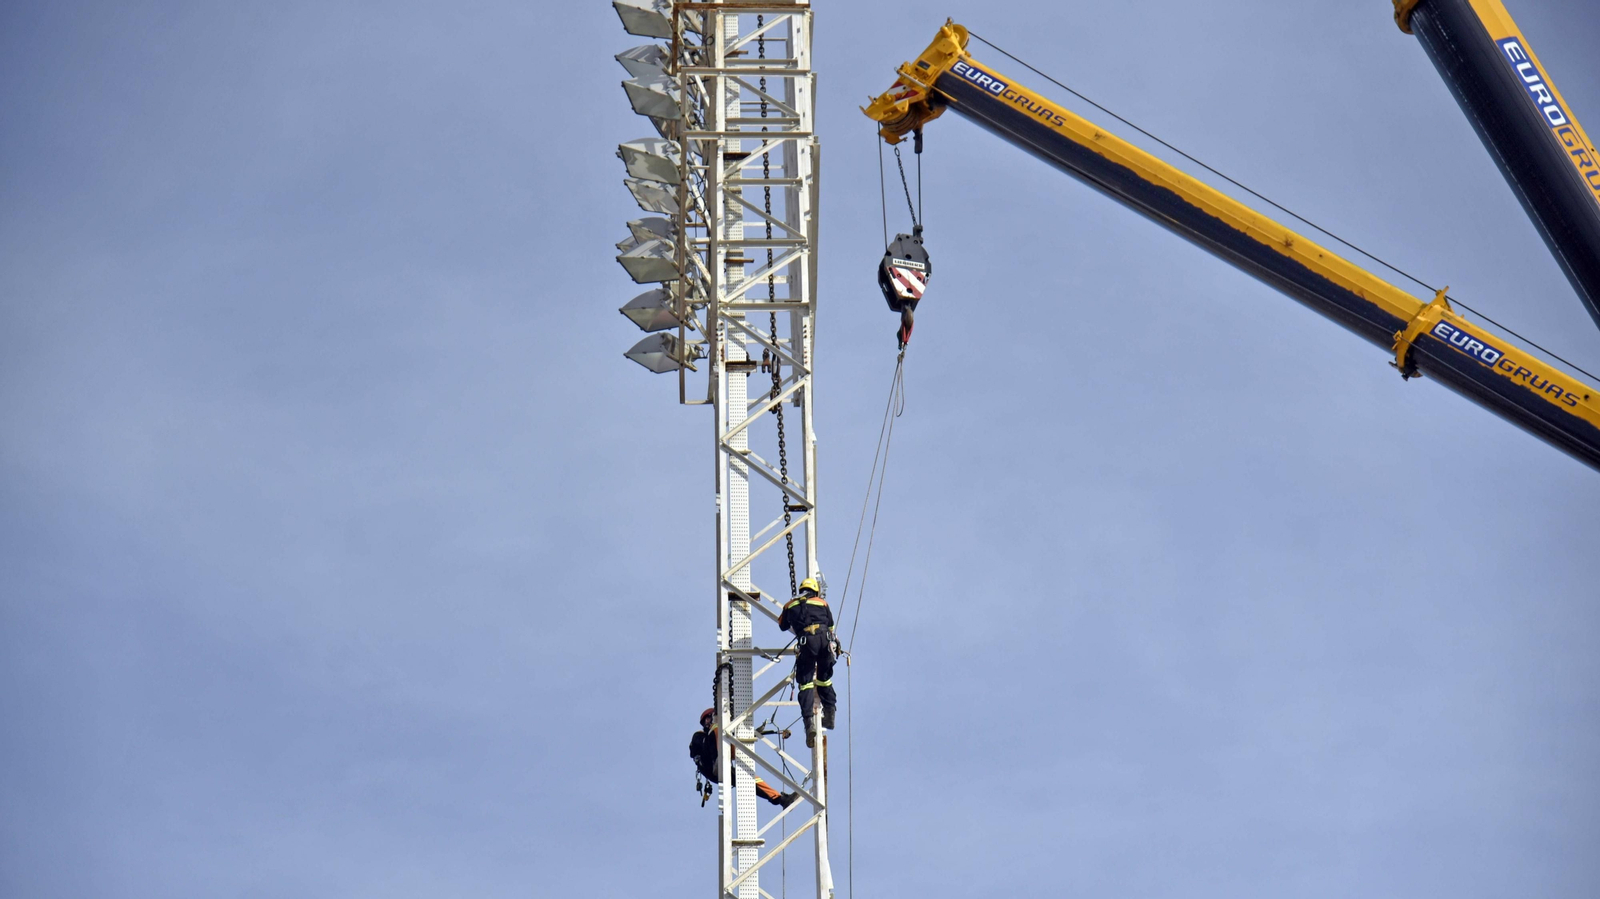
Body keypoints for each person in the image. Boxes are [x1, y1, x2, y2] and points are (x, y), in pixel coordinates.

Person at [690, 708, 798, 808]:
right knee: (719, 728)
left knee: (751, 779)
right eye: (707, 720)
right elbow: (697, 749)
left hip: (720, 763)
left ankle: (780, 799)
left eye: (709, 719)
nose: (708, 722)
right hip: (712, 765)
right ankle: (718, 760)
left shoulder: (714, 733)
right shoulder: (699, 736)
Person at [777, 577, 837, 745]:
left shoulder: (790, 605)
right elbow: (831, 627)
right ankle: (830, 714)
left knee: (805, 683)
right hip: (824, 642)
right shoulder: (822, 602)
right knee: (824, 679)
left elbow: (782, 625)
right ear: (815, 591)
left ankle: (809, 724)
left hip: (806, 643)